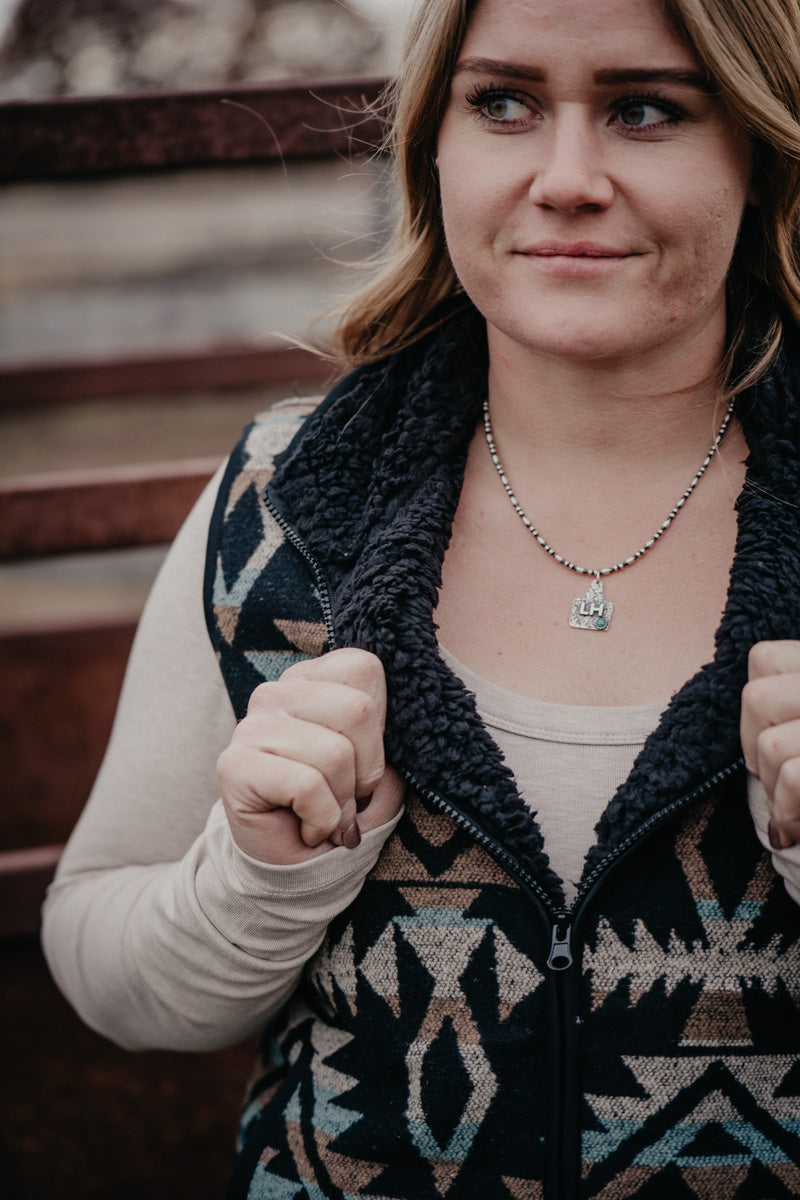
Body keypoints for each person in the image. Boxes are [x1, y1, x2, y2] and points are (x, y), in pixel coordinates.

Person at [42, 0, 800, 1194]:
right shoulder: (281, 503)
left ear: (759, 148)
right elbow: (103, 969)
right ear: (431, 148)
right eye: (501, 103)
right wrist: (255, 880)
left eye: (643, 109)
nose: (564, 179)